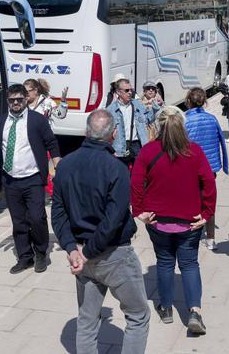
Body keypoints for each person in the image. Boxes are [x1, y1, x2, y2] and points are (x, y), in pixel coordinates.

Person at [51, 110, 150, 354]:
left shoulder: (65, 165)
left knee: (86, 320)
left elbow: (58, 213)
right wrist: (87, 252)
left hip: (82, 254)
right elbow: (113, 220)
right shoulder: (116, 168)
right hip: (113, 254)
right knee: (138, 315)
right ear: (113, 134)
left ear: (86, 132)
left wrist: (72, 248)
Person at [131, 106, 216, 335]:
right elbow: (209, 182)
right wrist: (207, 213)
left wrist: (139, 211)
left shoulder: (148, 151)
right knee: (189, 264)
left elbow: (136, 182)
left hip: (158, 221)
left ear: (158, 125)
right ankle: (194, 311)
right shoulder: (194, 151)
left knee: (165, 262)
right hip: (189, 221)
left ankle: (166, 308)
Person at [0, 84, 61, 274]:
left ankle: (41, 253)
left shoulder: (37, 120)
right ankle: (25, 257)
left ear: (26, 99)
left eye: (19, 99)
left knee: (37, 217)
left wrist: (59, 165)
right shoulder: (0, 122)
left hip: (32, 178)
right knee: (18, 221)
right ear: (7, 101)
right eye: (12, 100)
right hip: (11, 179)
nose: (15, 103)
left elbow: (52, 143)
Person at [184, 87, 229, 251]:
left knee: (191, 200)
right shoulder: (212, 119)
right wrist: (222, 164)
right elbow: (221, 142)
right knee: (208, 200)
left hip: (190, 167)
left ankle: (191, 235)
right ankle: (211, 239)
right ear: (204, 101)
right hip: (210, 167)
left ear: (188, 101)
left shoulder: (185, 120)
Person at [106, 78, 155, 166]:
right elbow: (106, 133)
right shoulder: (111, 110)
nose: (130, 92)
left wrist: (154, 108)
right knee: (122, 173)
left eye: (131, 90)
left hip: (137, 144)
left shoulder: (137, 104)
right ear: (118, 92)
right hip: (120, 145)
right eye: (127, 90)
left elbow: (148, 119)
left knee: (140, 173)